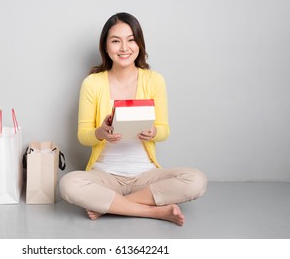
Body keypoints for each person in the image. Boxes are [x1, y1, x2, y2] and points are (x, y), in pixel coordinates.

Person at [59, 12, 207, 226]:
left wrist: (155, 131)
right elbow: (83, 136)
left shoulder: (154, 80)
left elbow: (164, 129)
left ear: (139, 44)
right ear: (106, 47)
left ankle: (112, 206)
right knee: (68, 184)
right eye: (116, 41)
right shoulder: (92, 83)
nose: (124, 48)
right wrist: (100, 132)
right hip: (105, 176)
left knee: (197, 181)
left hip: (145, 177)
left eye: (131, 40)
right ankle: (154, 212)